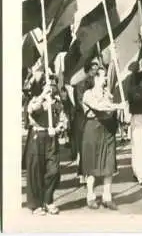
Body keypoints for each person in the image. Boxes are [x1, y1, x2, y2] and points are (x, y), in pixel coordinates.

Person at [81, 67, 124, 210]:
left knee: (109, 164)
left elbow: (110, 110)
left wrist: (112, 102)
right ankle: (91, 196)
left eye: (105, 76)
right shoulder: (88, 94)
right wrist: (117, 105)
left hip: (108, 130)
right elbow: (98, 107)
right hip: (93, 130)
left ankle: (107, 197)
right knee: (92, 165)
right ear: (95, 78)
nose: (105, 79)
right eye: (103, 76)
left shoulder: (107, 93)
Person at [25, 73, 68, 215]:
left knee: (53, 170)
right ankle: (36, 204)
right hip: (38, 137)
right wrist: (44, 96)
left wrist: (57, 128)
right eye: (49, 84)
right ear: (43, 85)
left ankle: (48, 200)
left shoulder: (57, 102)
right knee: (36, 171)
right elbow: (31, 110)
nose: (52, 86)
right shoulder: (36, 99)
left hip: (51, 137)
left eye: (54, 84)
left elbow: (63, 119)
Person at [72, 61, 99, 184]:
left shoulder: (97, 84)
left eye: (96, 69)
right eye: (93, 69)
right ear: (87, 70)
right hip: (82, 119)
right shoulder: (80, 85)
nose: (95, 71)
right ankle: (82, 173)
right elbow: (80, 102)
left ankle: (91, 171)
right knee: (83, 146)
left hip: (95, 118)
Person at [127, 62, 142, 185]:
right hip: (138, 119)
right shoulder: (134, 91)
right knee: (138, 147)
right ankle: (140, 174)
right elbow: (135, 102)